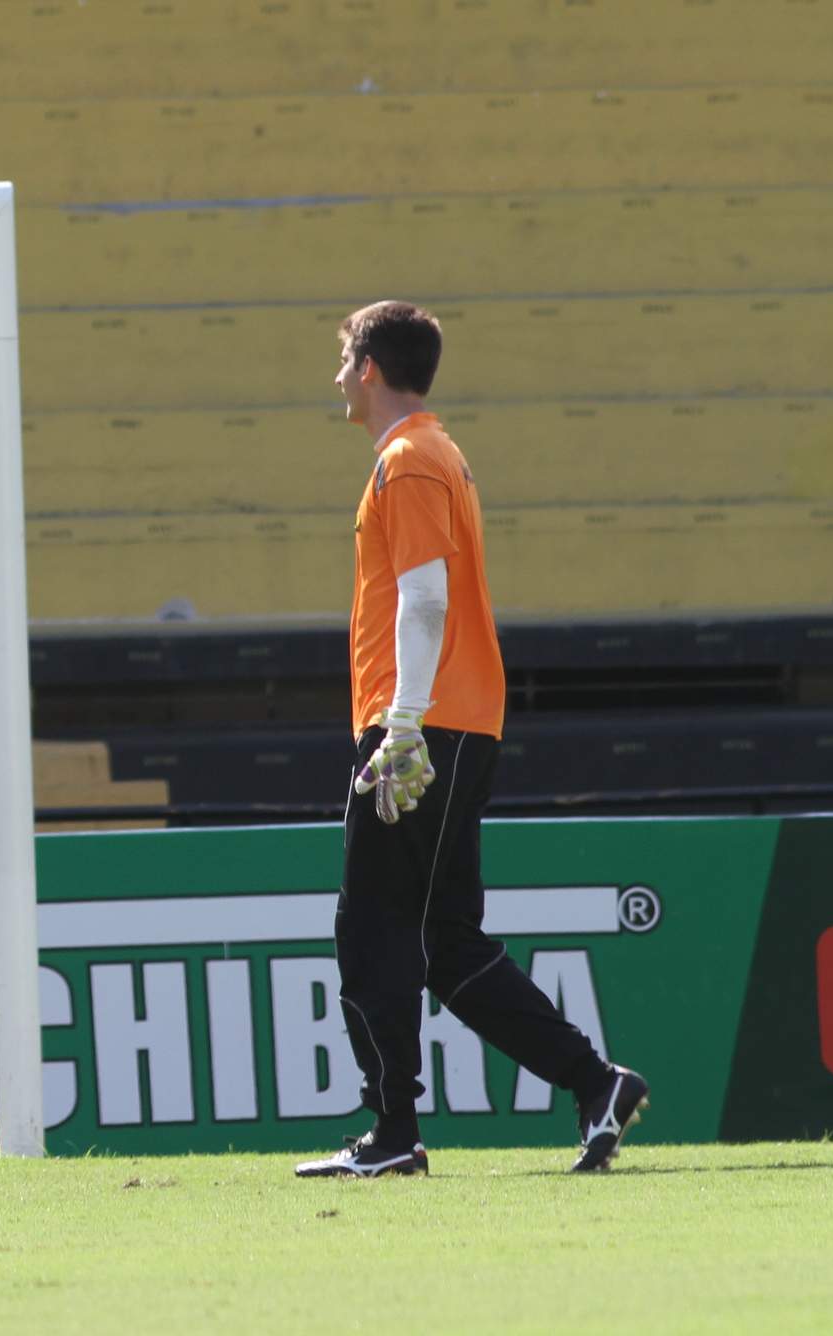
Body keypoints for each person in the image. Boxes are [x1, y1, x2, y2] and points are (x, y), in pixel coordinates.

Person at [294, 301, 649, 1178]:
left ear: (370, 367)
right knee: (445, 942)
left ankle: (393, 1137)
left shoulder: (409, 460)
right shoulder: (431, 454)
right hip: (456, 723)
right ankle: (595, 1082)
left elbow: (423, 600)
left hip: (420, 726)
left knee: (372, 927)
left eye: (345, 360)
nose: (338, 376)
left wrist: (403, 725)